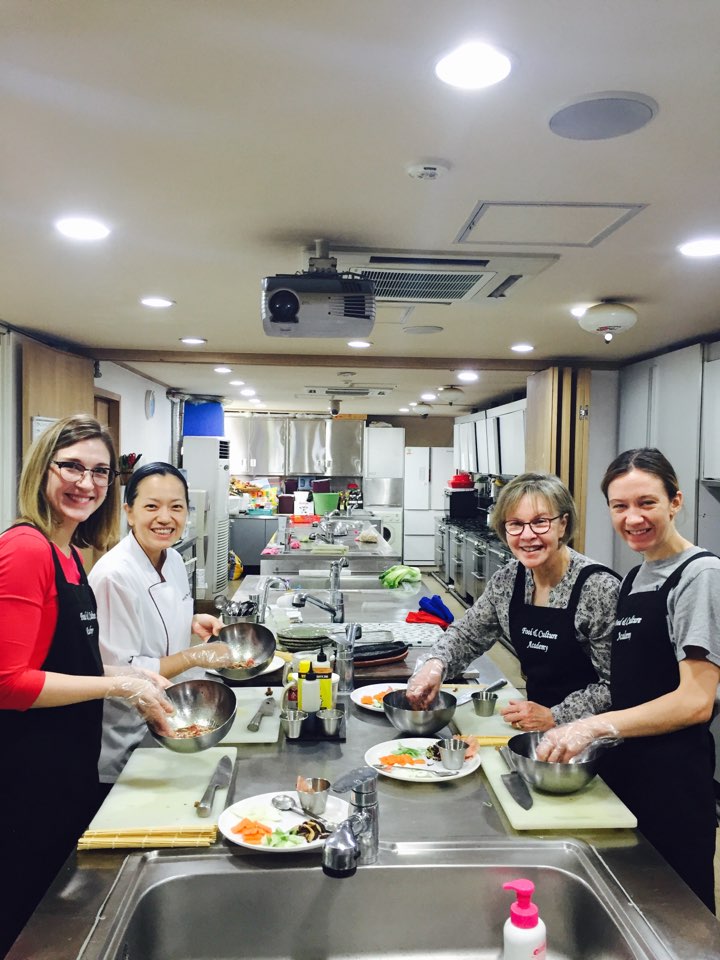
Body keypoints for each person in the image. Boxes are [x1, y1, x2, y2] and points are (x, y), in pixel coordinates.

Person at [0, 415, 175, 957]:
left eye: (100, 472)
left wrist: (131, 676)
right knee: (25, 916)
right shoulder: (25, 550)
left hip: (66, 765)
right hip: (25, 774)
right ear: (42, 469)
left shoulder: (71, 556)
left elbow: (65, 662)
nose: (86, 483)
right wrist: (115, 687)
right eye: (72, 467)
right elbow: (9, 683)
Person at [537, 449, 720, 912]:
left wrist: (594, 726)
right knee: (625, 909)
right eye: (620, 506)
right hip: (629, 771)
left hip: (674, 784)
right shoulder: (636, 577)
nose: (632, 518)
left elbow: (696, 700)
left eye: (646, 503)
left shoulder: (700, 576)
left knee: (676, 916)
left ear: (675, 501)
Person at [407, 473, 620, 731]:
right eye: (516, 524)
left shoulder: (599, 588)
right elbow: (468, 635)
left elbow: (617, 685)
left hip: (593, 736)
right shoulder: (507, 580)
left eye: (540, 522)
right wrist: (435, 664)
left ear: (562, 524)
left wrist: (556, 716)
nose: (527, 535)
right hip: (534, 729)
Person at [89, 461, 238, 783]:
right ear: (129, 512)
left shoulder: (172, 558)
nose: (165, 518)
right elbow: (122, 670)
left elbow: (154, 614)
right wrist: (194, 656)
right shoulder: (114, 575)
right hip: (127, 732)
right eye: (152, 506)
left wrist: (190, 620)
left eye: (176, 507)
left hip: (172, 718)